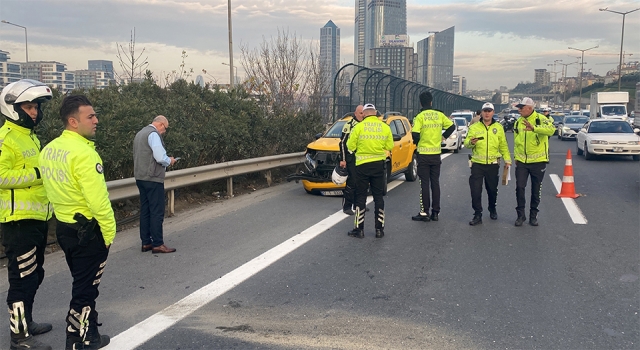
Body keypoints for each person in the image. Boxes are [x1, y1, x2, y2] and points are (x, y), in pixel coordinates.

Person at [39, 95, 113, 349]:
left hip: (64, 228)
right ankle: (76, 338)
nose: (96, 121)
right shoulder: (84, 153)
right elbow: (98, 201)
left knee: (82, 283)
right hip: (88, 232)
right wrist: (109, 233)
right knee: (86, 289)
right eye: (90, 116)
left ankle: (89, 333)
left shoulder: (49, 149)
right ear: (73, 121)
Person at [0, 80, 53, 350]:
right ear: (13, 108)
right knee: (21, 279)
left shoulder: (31, 137)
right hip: (17, 223)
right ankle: (18, 337)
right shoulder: (6, 139)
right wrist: (35, 175)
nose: (34, 112)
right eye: (29, 107)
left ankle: (27, 321)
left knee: (35, 274)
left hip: (38, 219)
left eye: (35, 107)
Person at [346, 103, 393, 238]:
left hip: (362, 166)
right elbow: (389, 145)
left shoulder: (358, 127)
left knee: (361, 196)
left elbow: (350, 146)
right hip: (379, 165)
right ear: (375, 113)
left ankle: (359, 230)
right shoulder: (384, 127)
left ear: (365, 114)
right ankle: (379, 230)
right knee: (378, 197)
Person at [133, 115, 177, 253]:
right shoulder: (153, 135)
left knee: (145, 210)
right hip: (153, 178)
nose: (164, 132)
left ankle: (146, 242)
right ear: (161, 125)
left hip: (140, 177)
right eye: (165, 129)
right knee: (157, 211)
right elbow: (159, 157)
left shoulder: (140, 133)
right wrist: (169, 160)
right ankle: (158, 243)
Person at [464, 102, 511, 226]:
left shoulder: (499, 128)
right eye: (485, 110)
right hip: (477, 164)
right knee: (475, 190)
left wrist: (508, 160)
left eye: (489, 110)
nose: (487, 113)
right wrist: (471, 142)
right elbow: (466, 144)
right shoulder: (474, 127)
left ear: (493, 113)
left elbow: (503, 146)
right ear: (482, 112)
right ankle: (477, 214)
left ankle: (492, 208)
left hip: (492, 165)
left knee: (492, 190)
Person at [411, 91, 456, 222]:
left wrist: (420, 142)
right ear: (431, 102)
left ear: (420, 102)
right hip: (436, 154)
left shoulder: (419, 117)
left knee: (424, 184)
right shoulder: (439, 114)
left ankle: (425, 212)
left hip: (423, 155)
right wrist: (443, 137)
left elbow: (414, 134)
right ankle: (436, 212)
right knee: (435, 183)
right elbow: (452, 126)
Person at [512, 97, 555, 226]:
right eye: (518, 107)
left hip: (538, 162)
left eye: (521, 107)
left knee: (536, 190)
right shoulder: (518, 122)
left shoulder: (541, 119)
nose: (519, 110)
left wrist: (535, 128)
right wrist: (516, 157)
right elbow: (516, 141)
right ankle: (521, 215)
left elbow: (552, 130)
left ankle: (533, 215)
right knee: (520, 187)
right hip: (522, 162)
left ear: (530, 108)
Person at [339, 105, 364, 215]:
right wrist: (343, 159)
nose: (362, 115)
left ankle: (358, 204)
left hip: (362, 158)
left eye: (364, 113)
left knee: (361, 182)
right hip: (351, 157)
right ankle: (347, 206)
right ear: (355, 113)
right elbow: (342, 143)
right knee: (352, 182)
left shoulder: (364, 125)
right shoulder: (349, 125)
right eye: (360, 113)